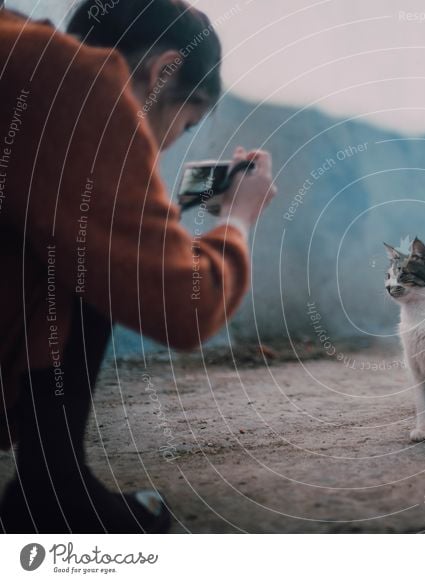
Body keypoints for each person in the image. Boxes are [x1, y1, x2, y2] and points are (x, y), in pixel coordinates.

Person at [0, 0, 276, 532]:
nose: (165, 144)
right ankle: (53, 489)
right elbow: (184, 306)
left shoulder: (23, 54)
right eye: (185, 121)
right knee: (94, 258)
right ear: (163, 70)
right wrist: (239, 218)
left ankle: (52, 483)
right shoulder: (82, 83)